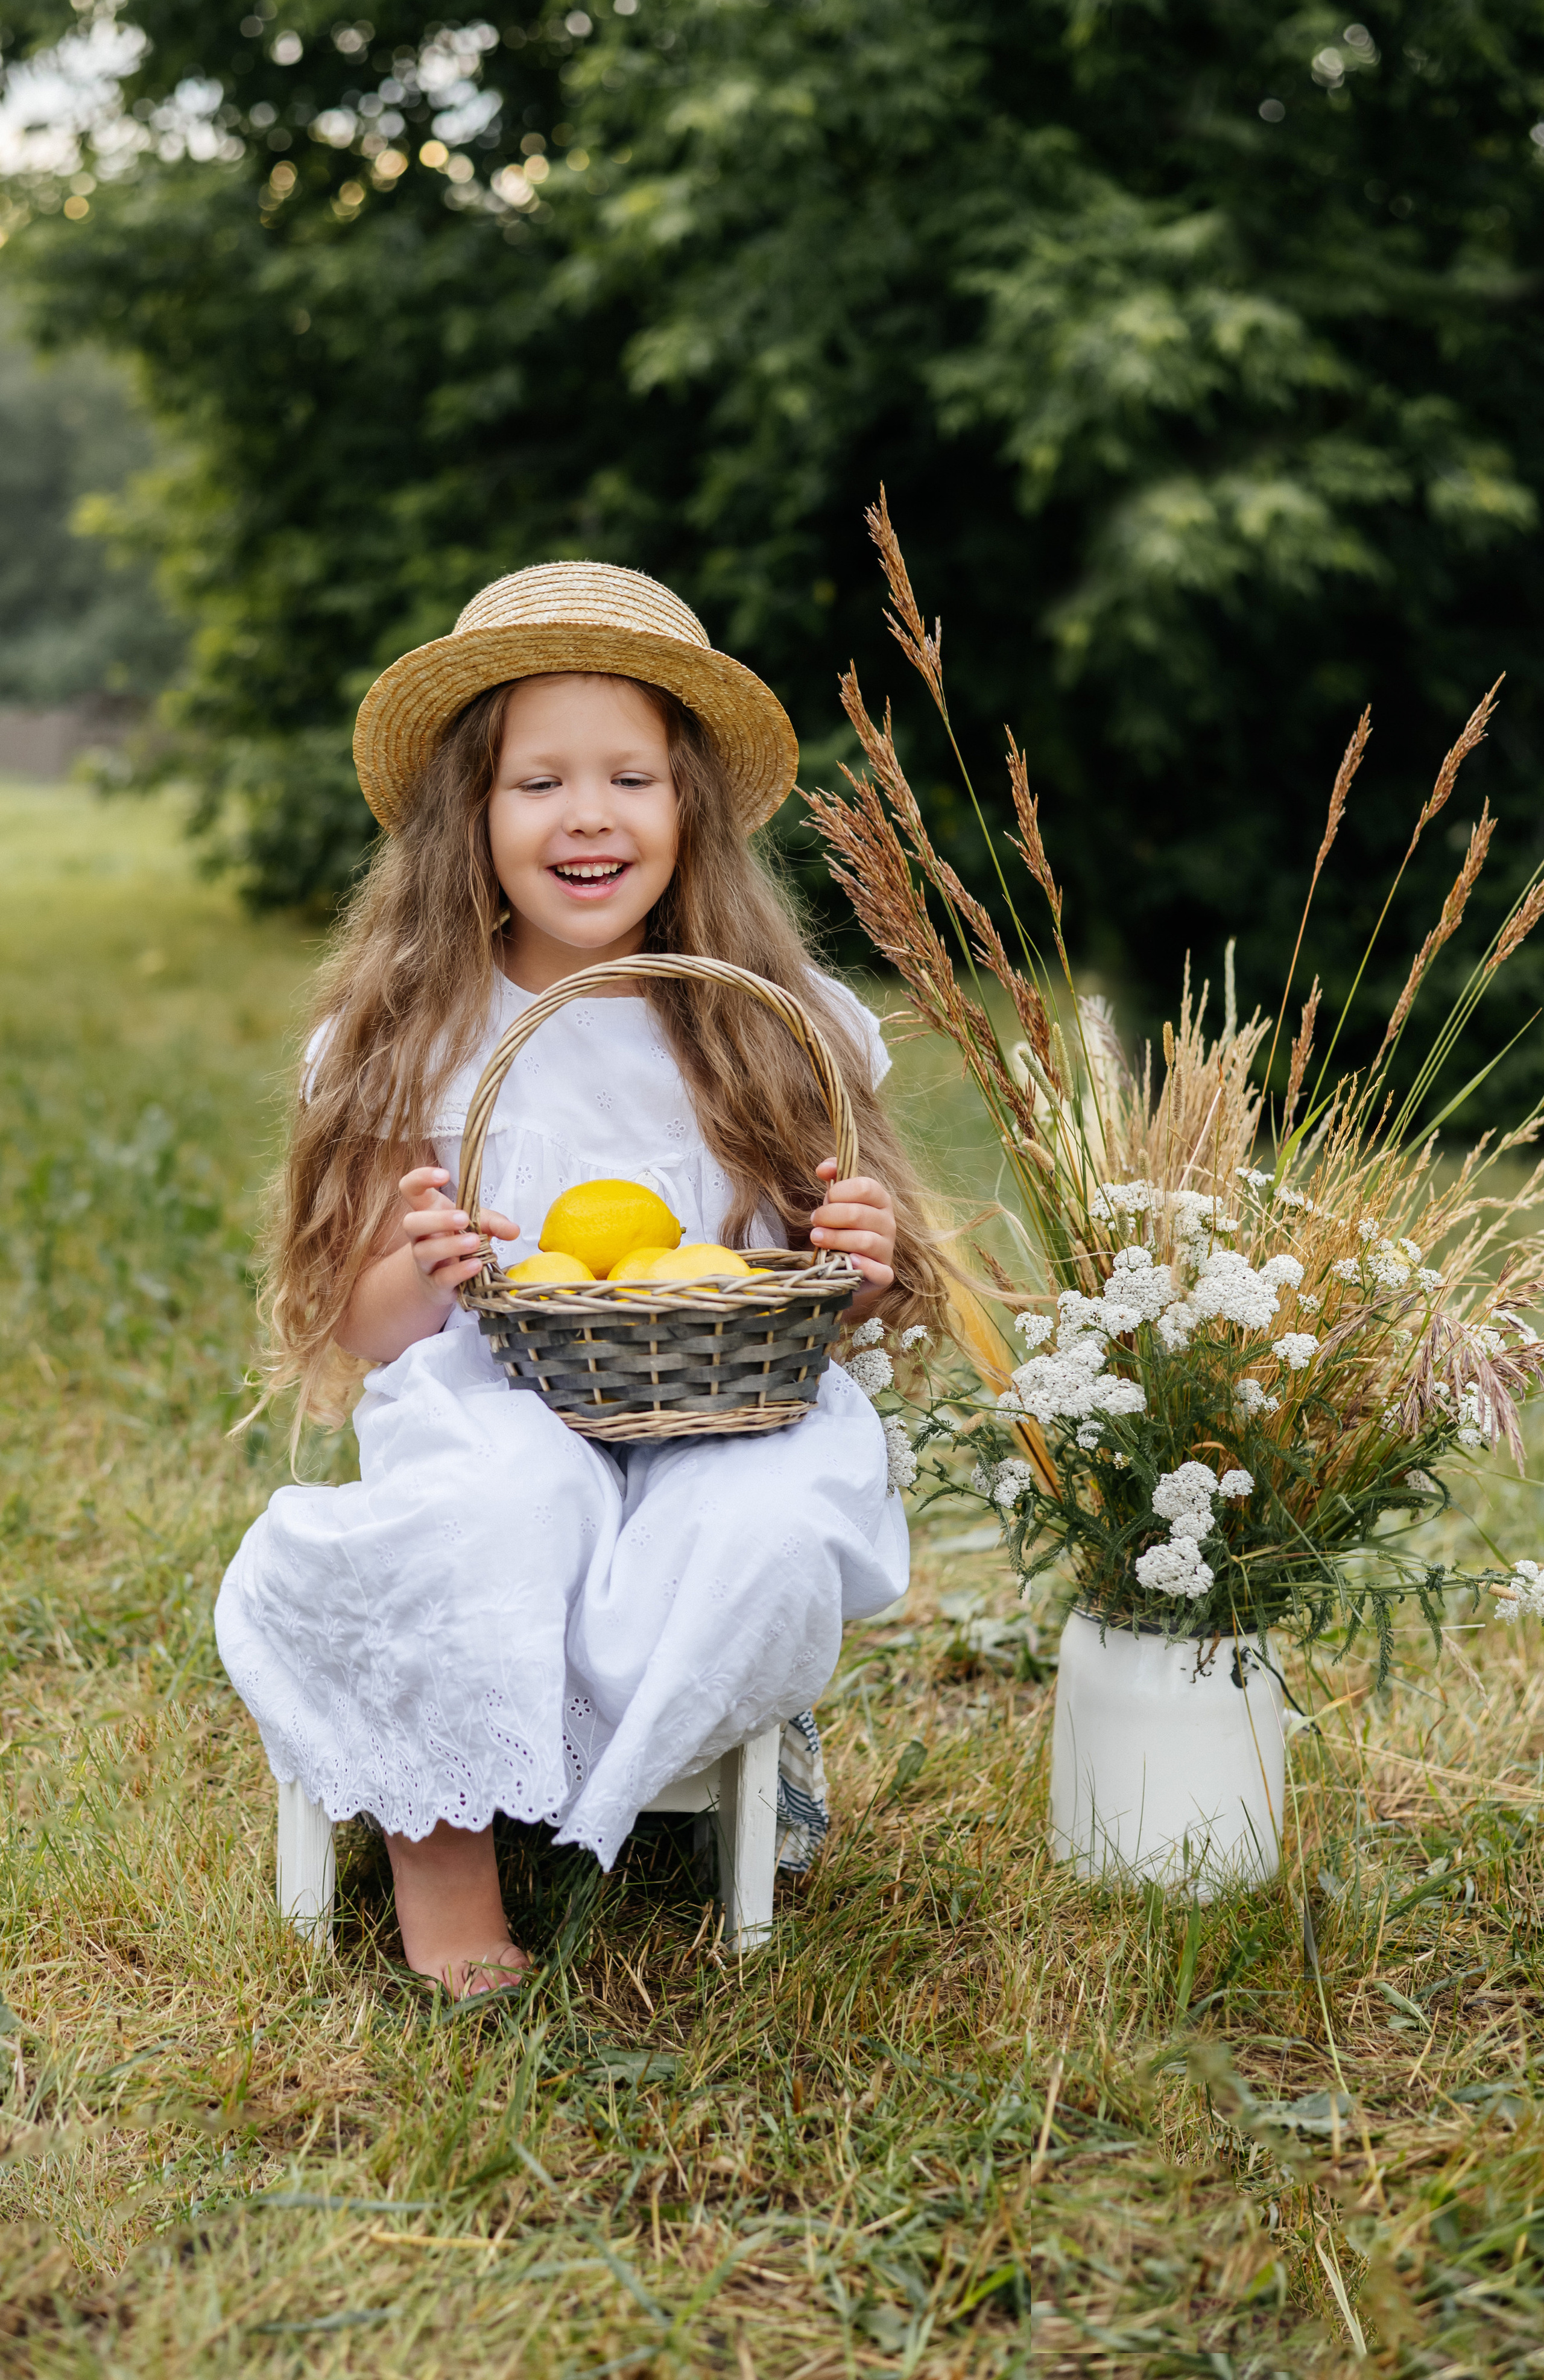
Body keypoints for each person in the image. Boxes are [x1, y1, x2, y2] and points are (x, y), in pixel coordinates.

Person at [215, 563, 948, 1996]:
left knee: (766, 1518)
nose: (588, 814)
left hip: (722, 1406)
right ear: (470, 821)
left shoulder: (765, 1023)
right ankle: (447, 1872)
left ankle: (679, 1756)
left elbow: (847, 1286)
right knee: (501, 1506)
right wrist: (417, 1272)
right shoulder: (418, 1031)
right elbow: (361, 1328)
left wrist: (859, 1267)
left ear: (689, 811)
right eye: (537, 782)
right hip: (493, 1395)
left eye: (628, 776)